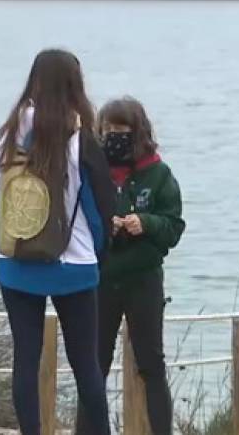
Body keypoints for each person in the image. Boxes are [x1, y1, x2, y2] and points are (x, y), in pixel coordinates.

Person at [0, 49, 115, 435]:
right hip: (72, 265)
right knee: (85, 365)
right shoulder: (80, 137)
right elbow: (101, 209)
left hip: (16, 261)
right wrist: (96, 250)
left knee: (25, 361)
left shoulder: (7, 135)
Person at [75, 97, 185, 435]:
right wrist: (105, 227)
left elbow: (173, 228)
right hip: (101, 279)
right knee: (95, 366)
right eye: (107, 131)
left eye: (121, 131)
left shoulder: (158, 173)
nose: (113, 138)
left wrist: (146, 223)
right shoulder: (90, 170)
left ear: (137, 133)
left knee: (151, 365)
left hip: (143, 280)